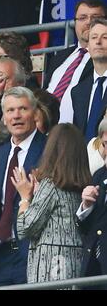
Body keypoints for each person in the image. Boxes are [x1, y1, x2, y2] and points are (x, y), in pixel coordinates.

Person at [0, 86, 46, 287]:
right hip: (0, 254)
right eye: (10, 110)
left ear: (35, 113)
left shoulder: (49, 150)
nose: (16, 116)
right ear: (4, 118)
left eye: (23, 109)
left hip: (33, 251)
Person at [13, 123, 90, 283]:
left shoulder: (51, 185)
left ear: (51, 150)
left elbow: (24, 228)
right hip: (75, 264)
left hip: (51, 266)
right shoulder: (81, 185)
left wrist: (25, 198)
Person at [45, 0, 107, 123]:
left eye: (95, 17)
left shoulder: (101, 59)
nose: (89, 22)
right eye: (82, 18)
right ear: (75, 22)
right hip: (46, 134)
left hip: (77, 135)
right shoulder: (59, 57)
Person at [78, 129, 107, 286]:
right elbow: (86, 228)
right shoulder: (99, 175)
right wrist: (86, 206)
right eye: (105, 144)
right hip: (93, 267)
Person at [71, 18, 107, 142]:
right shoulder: (78, 91)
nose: (98, 42)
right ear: (88, 46)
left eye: (105, 37)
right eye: (94, 37)